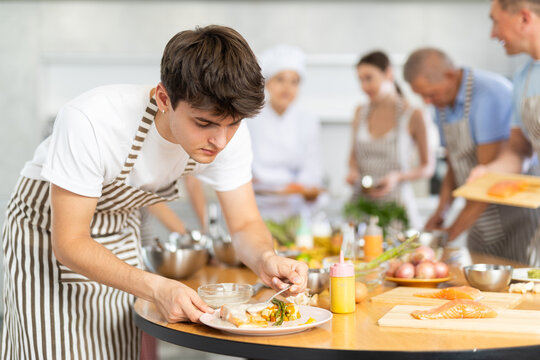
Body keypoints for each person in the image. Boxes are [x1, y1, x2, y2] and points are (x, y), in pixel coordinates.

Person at [1, 25, 308, 359]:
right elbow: (70, 242)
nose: (220, 140)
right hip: (45, 239)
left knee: (117, 349)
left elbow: (245, 223)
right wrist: (156, 285)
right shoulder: (92, 120)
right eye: (203, 124)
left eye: (232, 125)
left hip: (118, 233)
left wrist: (265, 258)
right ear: (164, 98)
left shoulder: (227, 129)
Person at [404, 47, 539, 263]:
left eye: (430, 94)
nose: (426, 102)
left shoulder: (488, 95)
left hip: (515, 219)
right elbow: (454, 163)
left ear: (448, 76)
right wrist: (441, 211)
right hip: (479, 219)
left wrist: (448, 234)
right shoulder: (442, 104)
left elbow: (486, 181)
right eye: (422, 96)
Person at [467, 0, 540, 265]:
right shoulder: (524, 78)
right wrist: (491, 170)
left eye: (495, 21)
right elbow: (520, 150)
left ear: (524, 19)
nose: (492, 33)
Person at [346, 50, 434, 229]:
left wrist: (397, 177)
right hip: (362, 208)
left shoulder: (414, 115)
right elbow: (353, 158)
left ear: (388, 73)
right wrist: (353, 172)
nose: (364, 86)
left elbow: (427, 167)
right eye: (360, 80)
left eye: (369, 78)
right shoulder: (360, 113)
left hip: (396, 210)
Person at [247, 44, 324, 219]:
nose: (287, 88)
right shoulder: (250, 120)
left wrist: (299, 186)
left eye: (294, 81)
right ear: (267, 82)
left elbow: (313, 169)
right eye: (280, 79)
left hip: (295, 211)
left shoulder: (308, 121)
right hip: (257, 209)